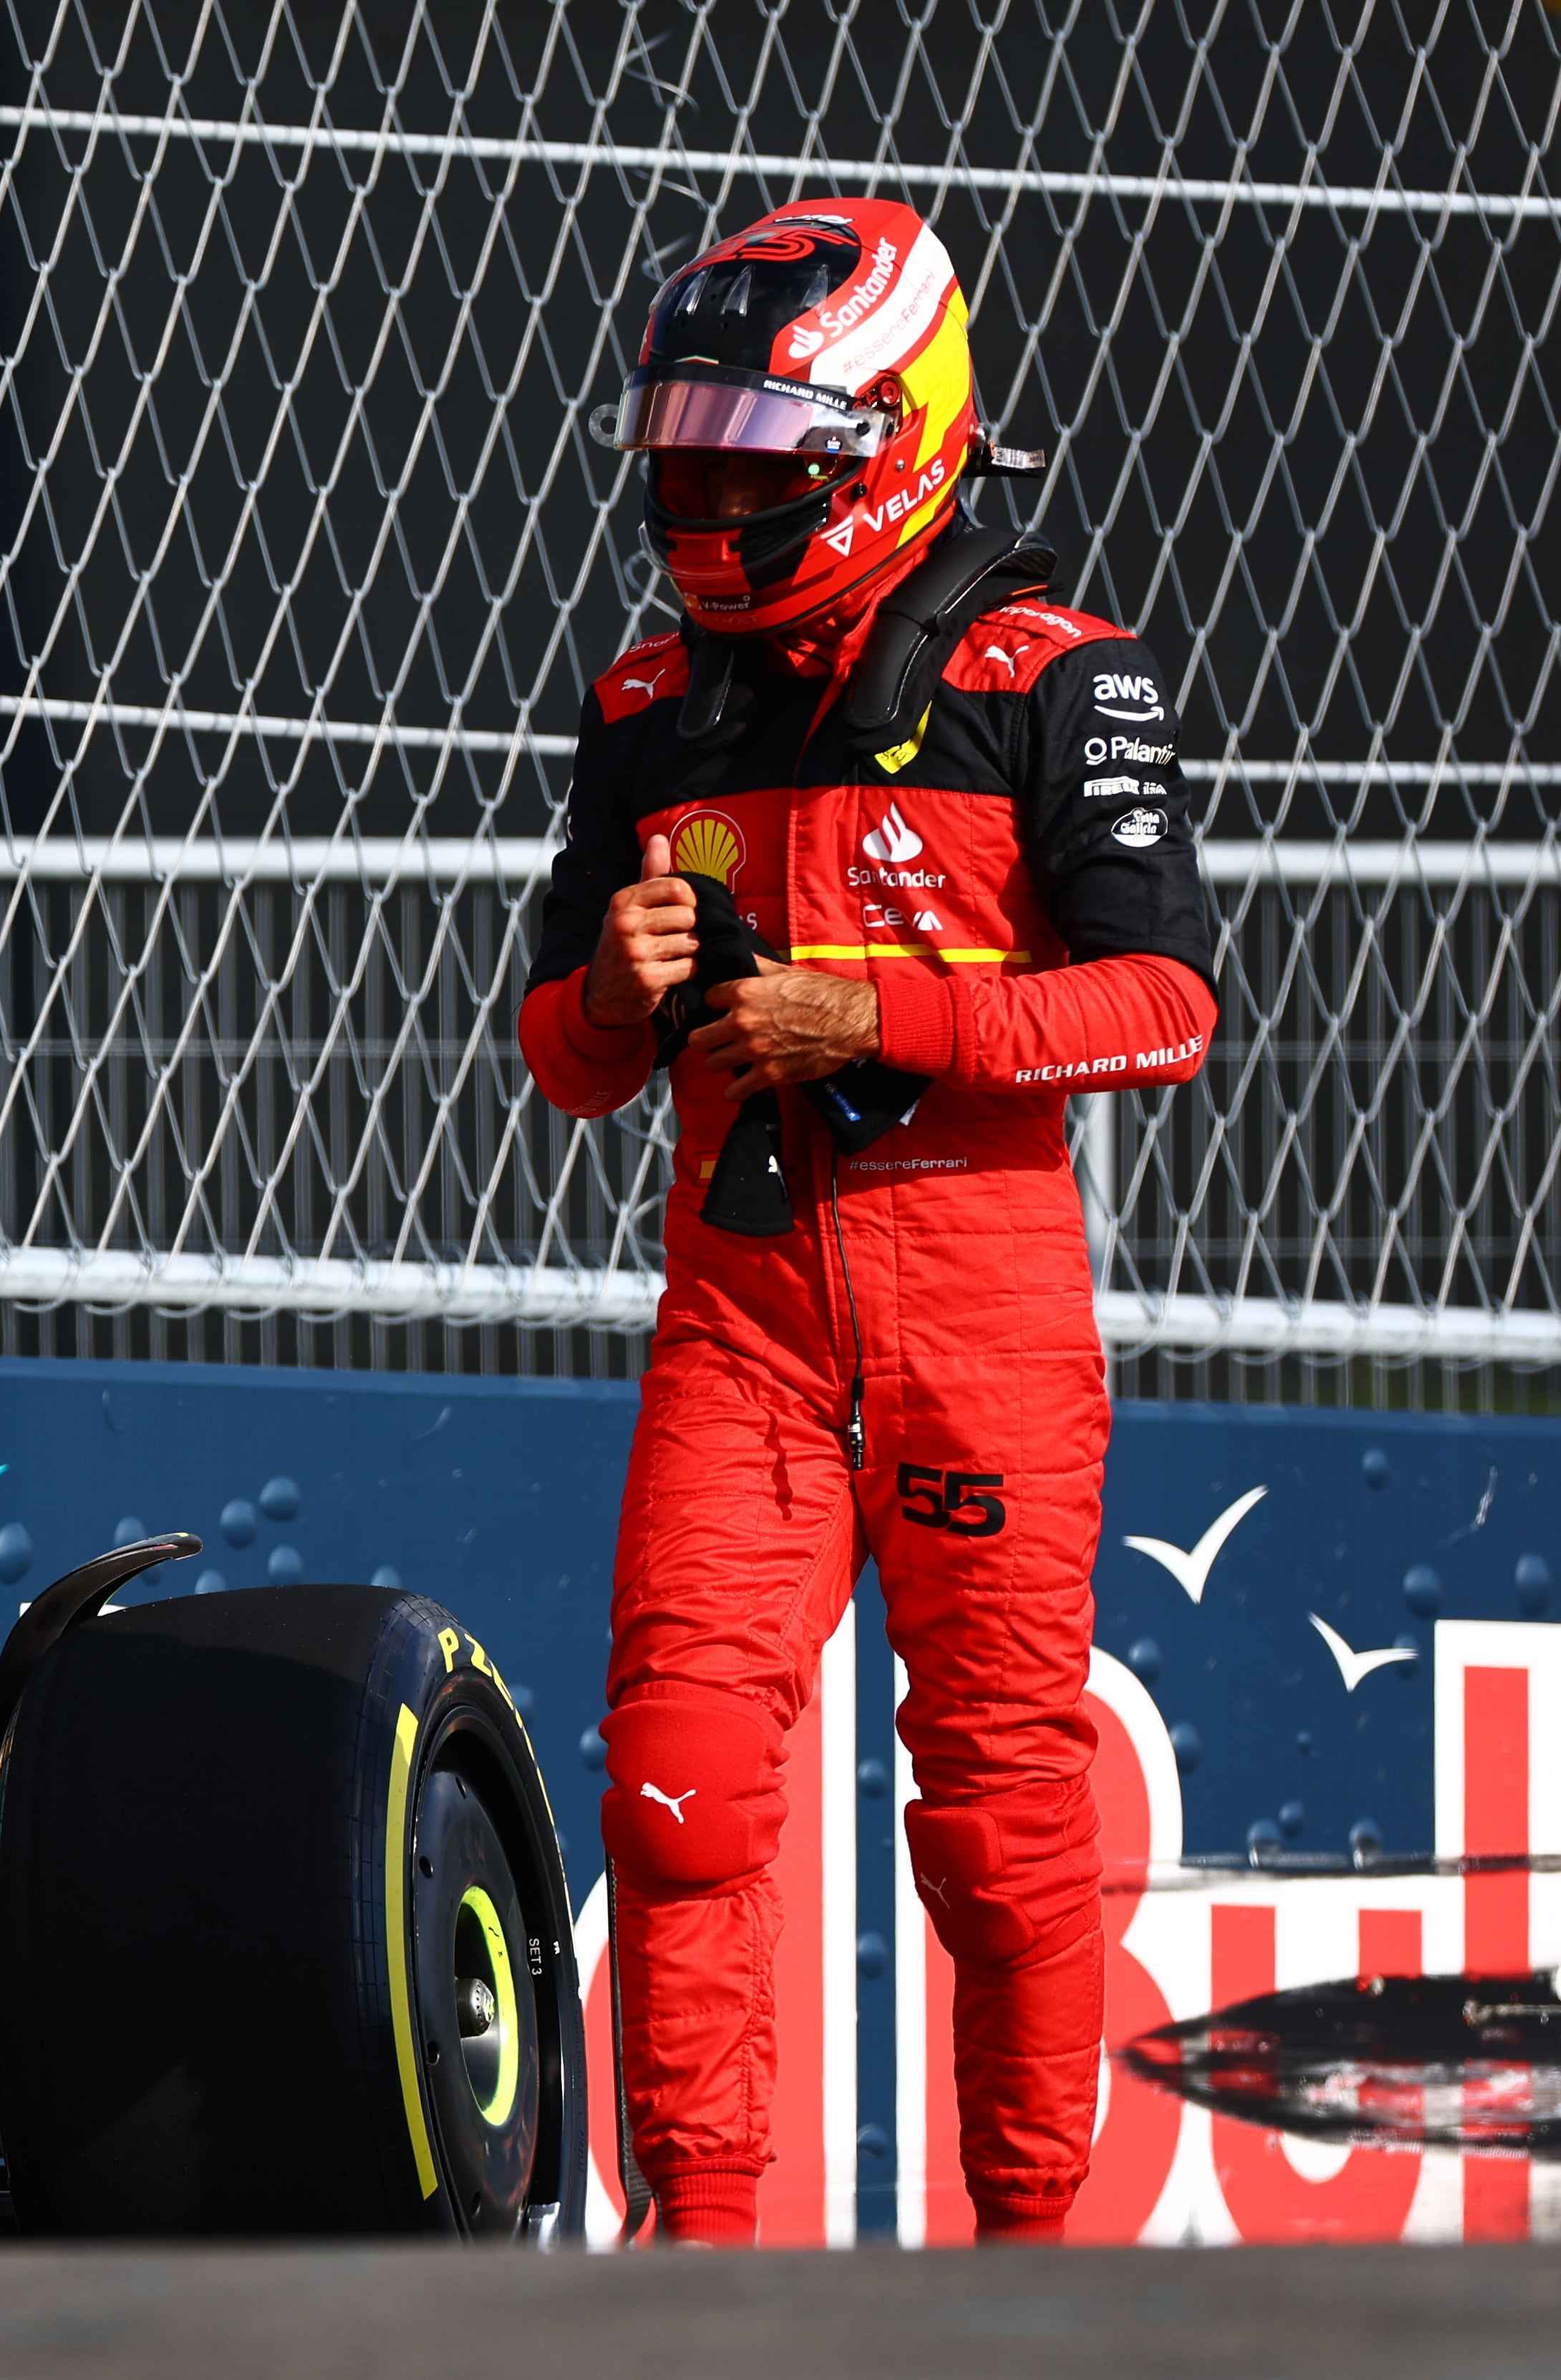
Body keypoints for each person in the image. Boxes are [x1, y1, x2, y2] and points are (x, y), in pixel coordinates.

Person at [522, 200, 1219, 2246]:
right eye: (688, 466)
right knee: (676, 1772)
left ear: (886, 438)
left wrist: (880, 1014)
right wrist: (619, 993)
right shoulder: (648, 699)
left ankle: (1031, 2261)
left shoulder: (1055, 680)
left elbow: (1167, 1006)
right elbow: (565, 1063)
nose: (711, 505)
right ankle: (702, 2252)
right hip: (738, 1299)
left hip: (976, 1292)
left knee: (1004, 1826)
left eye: (758, 467)